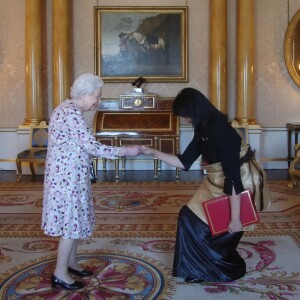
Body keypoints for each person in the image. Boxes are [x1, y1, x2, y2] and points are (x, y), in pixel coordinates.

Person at [140, 87, 271, 283]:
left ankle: (219, 266)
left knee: (212, 227)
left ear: (194, 110)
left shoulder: (220, 130)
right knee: (188, 216)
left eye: (185, 115)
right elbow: (184, 162)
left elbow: (233, 177)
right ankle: (199, 268)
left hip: (237, 183)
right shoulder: (203, 127)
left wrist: (235, 218)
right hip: (216, 181)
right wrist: (152, 152)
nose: (184, 119)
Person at [42, 73, 140, 290]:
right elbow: (91, 146)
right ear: (85, 95)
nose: (98, 100)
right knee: (70, 224)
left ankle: (71, 263)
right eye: (97, 96)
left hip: (70, 177)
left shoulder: (69, 109)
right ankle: (60, 273)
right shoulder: (71, 113)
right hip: (67, 181)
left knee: (74, 221)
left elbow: (81, 145)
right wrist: (125, 151)